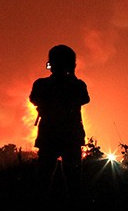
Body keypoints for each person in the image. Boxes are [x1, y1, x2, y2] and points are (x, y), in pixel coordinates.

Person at [29, 44, 90, 207]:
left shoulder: (41, 84)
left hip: (49, 136)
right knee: (74, 181)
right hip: (71, 137)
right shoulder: (77, 85)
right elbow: (84, 98)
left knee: (43, 180)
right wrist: (73, 75)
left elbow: (34, 98)